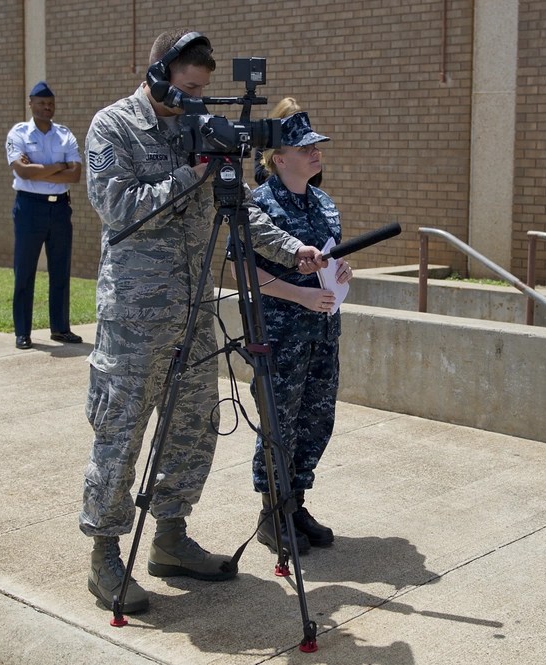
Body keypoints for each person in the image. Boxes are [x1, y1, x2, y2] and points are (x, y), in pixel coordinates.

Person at [80, 29, 325, 614]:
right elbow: (117, 207)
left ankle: (170, 539)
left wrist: (294, 249)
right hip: (135, 317)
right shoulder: (112, 126)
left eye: (201, 93)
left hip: (194, 314)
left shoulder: (198, 132)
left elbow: (236, 208)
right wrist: (193, 170)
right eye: (186, 90)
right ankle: (106, 555)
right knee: (122, 433)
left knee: (191, 429)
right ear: (159, 73)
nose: (194, 103)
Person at [241, 112, 351, 554]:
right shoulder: (258, 205)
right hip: (280, 333)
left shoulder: (324, 204)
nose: (315, 152)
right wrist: (298, 296)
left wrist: (342, 271)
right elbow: (241, 271)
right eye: (305, 148)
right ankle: (272, 512)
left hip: (323, 331)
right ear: (278, 158)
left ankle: (296, 503)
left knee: (315, 420)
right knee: (278, 422)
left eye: (315, 146)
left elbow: (330, 258)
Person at [5, 81, 83, 350]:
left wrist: (42, 168)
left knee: (60, 270)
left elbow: (75, 175)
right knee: (24, 271)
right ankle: (22, 332)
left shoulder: (65, 134)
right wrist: (59, 166)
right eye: (41, 103)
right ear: (31, 104)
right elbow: (22, 172)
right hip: (29, 208)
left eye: (50, 103)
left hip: (60, 208)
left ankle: (60, 329)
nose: (46, 107)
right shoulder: (19, 134)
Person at [253, 97, 323, 188]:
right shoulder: (266, 141)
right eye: (303, 149)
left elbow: (316, 178)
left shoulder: (321, 199)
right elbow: (259, 175)